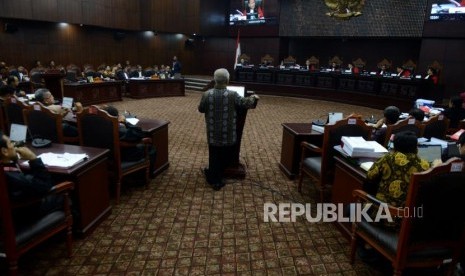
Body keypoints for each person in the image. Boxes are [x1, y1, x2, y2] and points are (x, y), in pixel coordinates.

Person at [198, 68, 259, 190]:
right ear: (227, 80)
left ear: (215, 80)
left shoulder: (206, 94)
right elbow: (247, 103)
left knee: (213, 154)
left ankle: (212, 175)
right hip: (228, 133)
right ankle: (216, 180)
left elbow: (201, 109)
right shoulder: (233, 95)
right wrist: (254, 97)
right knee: (224, 155)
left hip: (213, 132)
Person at [367, 131, 430, 229]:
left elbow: (370, 175)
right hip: (407, 221)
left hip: (381, 215)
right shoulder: (424, 165)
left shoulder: (388, 158)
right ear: (416, 148)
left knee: (350, 209)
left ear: (395, 146)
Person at [0, 130, 62, 221]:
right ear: (4, 151)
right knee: (63, 193)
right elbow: (46, 186)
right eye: (11, 143)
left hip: (11, 215)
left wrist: (13, 159)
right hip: (24, 215)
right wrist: (34, 159)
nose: (14, 146)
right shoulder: (13, 178)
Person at [101, 105, 157, 178]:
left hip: (105, 157)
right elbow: (138, 134)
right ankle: (143, 178)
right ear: (115, 118)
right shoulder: (119, 130)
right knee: (151, 148)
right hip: (124, 156)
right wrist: (125, 122)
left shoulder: (98, 127)